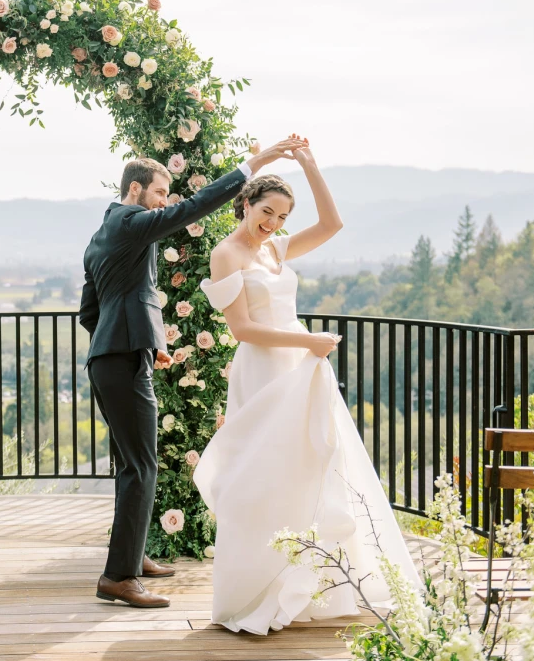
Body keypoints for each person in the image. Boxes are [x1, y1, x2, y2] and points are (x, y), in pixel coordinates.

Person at [195, 138, 422, 634]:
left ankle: (312, 589)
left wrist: (311, 167)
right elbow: (242, 331)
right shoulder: (226, 254)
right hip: (263, 373)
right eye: (266, 211)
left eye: (281, 216)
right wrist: (308, 339)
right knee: (260, 476)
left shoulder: (276, 248)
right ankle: (253, 591)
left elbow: (331, 225)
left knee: (309, 468)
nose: (273, 223)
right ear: (246, 204)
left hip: (300, 370)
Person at [79, 137, 305, 609]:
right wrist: (255, 163)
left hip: (115, 358)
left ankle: (131, 557)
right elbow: (197, 207)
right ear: (138, 189)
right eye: (161, 193)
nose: (167, 202)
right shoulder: (133, 222)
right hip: (120, 361)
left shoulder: (103, 234)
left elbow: (91, 310)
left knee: (131, 465)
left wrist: (141, 340)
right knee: (143, 466)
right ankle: (118, 577)